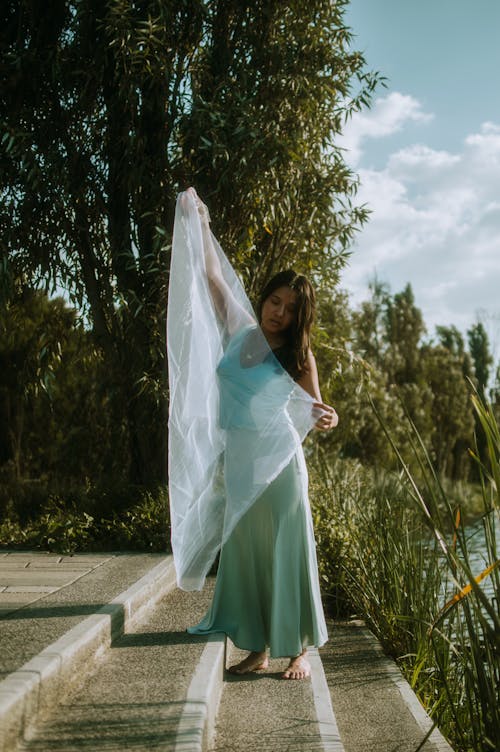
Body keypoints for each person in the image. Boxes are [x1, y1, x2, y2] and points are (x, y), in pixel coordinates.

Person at [168, 187, 338, 681]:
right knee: (247, 555)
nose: (278, 311)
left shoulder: (299, 357)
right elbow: (212, 274)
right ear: (264, 299)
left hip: (280, 468)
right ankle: (258, 648)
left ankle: (299, 652)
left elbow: (321, 410)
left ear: (298, 317)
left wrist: (328, 419)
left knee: (287, 552)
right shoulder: (240, 331)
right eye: (274, 299)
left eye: (289, 308)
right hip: (241, 466)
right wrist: (198, 217)